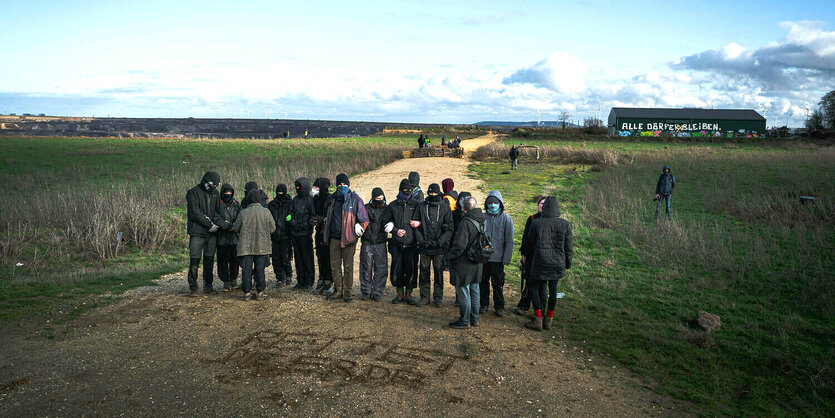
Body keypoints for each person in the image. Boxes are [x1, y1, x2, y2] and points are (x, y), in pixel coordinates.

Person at [522, 197, 573, 331]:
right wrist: (568, 264)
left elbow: (530, 244)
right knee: (553, 290)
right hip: (558, 263)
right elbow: (569, 247)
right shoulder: (565, 224)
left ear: (544, 208)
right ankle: (548, 321)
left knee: (533, 287)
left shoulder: (536, 223)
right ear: (557, 208)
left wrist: (526, 257)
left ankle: (538, 318)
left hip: (540, 261)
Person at [323, 173, 369, 302]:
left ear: (348, 185)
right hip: (334, 239)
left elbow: (364, 219)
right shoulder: (331, 199)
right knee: (335, 266)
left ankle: (347, 292)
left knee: (348, 267)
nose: (342, 186)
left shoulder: (355, 199)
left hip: (349, 239)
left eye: (344, 184)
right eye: (340, 184)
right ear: (336, 185)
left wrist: (359, 228)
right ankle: (338, 290)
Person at [446, 195, 484, 329]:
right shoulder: (482, 219)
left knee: (463, 292)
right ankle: (475, 319)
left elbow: (459, 246)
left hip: (464, 263)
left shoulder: (465, 223)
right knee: (475, 290)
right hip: (477, 262)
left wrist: (449, 256)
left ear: (463, 209)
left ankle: (464, 320)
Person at [413, 183, 453, 307]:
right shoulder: (421, 206)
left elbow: (450, 227)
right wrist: (421, 241)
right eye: (431, 193)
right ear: (428, 193)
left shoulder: (445, 208)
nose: (433, 195)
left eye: (435, 193)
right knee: (424, 272)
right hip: (425, 247)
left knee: (438, 273)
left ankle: (438, 297)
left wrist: (440, 242)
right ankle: (424, 297)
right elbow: (414, 225)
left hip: (440, 248)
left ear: (439, 193)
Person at [233, 189, 276, 301]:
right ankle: (260, 292)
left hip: (246, 246)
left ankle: (246, 293)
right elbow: (273, 228)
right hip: (262, 246)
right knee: (260, 269)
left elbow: (235, 228)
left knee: (246, 270)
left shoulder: (243, 212)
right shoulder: (266, 212)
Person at [185, 171, 222, 296]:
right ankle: (193, 287)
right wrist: (209, 225)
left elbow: (218, 211)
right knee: (194, 260)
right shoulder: (193, 193)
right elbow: (195, 213)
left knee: (209, 260)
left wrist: (221, 223)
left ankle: (208, 286)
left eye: (216, 186)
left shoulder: (215, 194)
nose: (214, 188)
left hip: (211, 233)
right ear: (206, 182)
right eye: (212, 185)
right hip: (197, 232)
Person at [386, 178, 420, 304]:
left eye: (409, 191)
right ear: (400, 190)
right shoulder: (393, 205)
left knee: (411, 268)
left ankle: (409, 294)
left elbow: (421, 222)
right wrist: (395, 230)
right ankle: (399, 292)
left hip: (412, 243)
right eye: (405, 190)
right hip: (397, 243)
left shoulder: (416, 205)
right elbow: (387, 221)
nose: (407, 193)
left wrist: (418, 223)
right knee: (397, 268)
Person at [480, 191, 514, 317]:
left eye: (495, 203)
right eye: (490, 203)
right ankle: (483, 304)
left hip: (498, 259)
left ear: (500, 204)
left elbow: (510, 241)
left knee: (498, 284)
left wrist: (506, 258)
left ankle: (499, 306)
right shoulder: (482, 218)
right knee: (483, 282)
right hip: (484, 258)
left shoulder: (506, 219)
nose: (493, 205)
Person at [513, 197, 547, 315]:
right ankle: (524, 305)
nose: (542, 206)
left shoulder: (550, 221)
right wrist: (523, 254)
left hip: (543, 258)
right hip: (531, 255)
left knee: (542, 285)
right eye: (541, 203)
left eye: (545, 204)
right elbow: (525, 238)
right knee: (528, 281)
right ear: (538, 205)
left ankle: (541, 311)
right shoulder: (532, 218)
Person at [359, 187, 390, 301]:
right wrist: (358, 225)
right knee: (365, 267)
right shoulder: (365, 208)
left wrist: (391, 224)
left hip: (381, 242)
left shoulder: (386, 208)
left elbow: (391, 219)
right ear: (373, 198)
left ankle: (377, 291)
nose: (380, 200)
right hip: (367, 241)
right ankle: (366, 291)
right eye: (377, 198)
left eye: (382, 198)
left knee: (381, 268)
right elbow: (360, 219)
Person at [289, 177, 316, 290]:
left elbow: (313, 216)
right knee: (298, 259)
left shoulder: (310, 199)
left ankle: (309, 281)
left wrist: (305, 225)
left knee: (307, 259)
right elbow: (290, 214)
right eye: (296, 187)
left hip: (306, 234)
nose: (297, 189)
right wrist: (293, 222)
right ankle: (300, 280)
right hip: (296, 234)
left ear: (304, 187)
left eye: (299, 187)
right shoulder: (295, 200)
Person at [214, 183, 241, 292]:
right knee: (222, 260)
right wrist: (225, 225)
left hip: (234, 237)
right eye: (225, 192)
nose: (228, 194)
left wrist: (234, 227)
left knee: (235, 260)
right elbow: (215, 217)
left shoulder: (236, 204)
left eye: (230, 192)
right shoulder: (218, 204)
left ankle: (234, 279)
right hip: (222, 237)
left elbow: (240, 217)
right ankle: (226, 281)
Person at [267, 184, 294, 287]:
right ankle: (279, 277)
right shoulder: (271, 205)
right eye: (278, 193)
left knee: (285, 257)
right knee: (275, 258)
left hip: (286, 235)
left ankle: (288, 275)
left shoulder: (289, 204)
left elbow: (292, 215)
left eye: (282, 193)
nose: (280, 194)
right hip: (274, 235)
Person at [311, 177, 333, 294]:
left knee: (328, 256)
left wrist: (323, 220)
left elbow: (331, 216)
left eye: (316, 187)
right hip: (319, 231)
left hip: (328, 232)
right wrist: (313, 219)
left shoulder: (330, 199)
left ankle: (329, 281)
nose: (314, 189)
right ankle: (321, 279)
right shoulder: (315, 199)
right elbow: (313, 212)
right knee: (320, 256)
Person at [450, 191, 471, 307]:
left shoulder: (472, 215)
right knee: (456, 276)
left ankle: (467, 300)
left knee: (468, 277)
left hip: (469, 251)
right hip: (456, 248)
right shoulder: (454, 214)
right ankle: (459, 298)